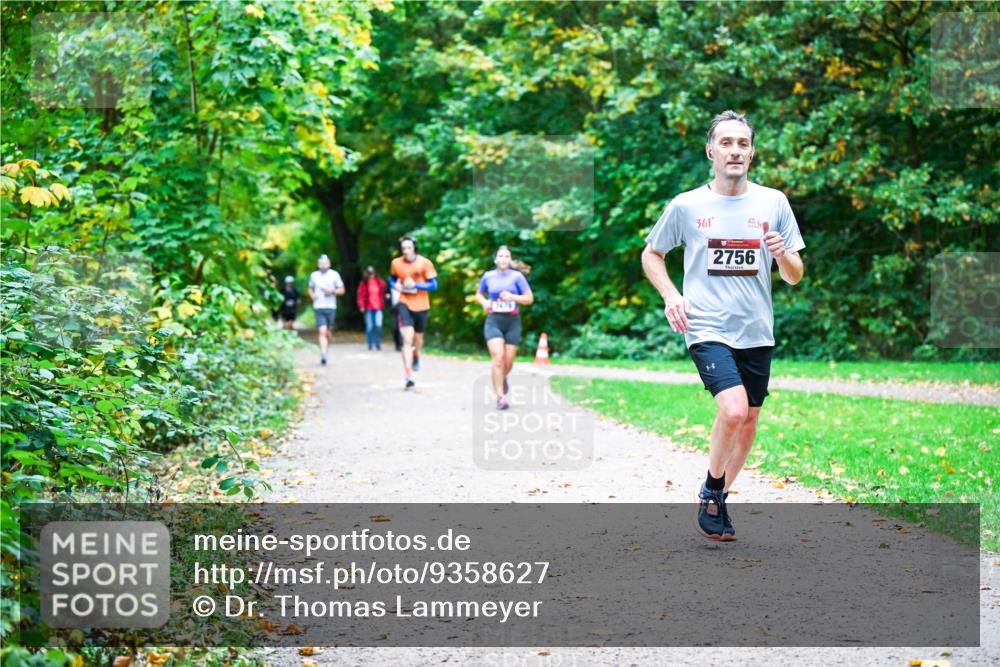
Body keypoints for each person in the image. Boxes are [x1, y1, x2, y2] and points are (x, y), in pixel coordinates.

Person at [641, 110, 805, 541]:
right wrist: (671, 296)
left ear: (751, 153)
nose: (735, 150)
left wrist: (781, 252)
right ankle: (713, 489)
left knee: (749, 420)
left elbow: (794, 274)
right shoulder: (687, 205)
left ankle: (718, 500)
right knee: (732, 409)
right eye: (727, 143)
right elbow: (651, 254)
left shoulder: (774, 202)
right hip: (707, 326)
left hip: (756, 330)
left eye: (743, 144)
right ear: (710, 151)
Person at [474, 246, 533, 410]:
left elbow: (529, 298)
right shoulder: (488, 276)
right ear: (496, 259)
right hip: (494, 321)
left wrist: (513, 297)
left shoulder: (517, 277)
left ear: (510, 259)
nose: (503, 259)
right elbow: (479, 294)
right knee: (498, 357)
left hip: (512, 321)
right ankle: (500, 397)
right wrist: (484, 302)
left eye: (506, 256)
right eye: (500, 256)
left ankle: (502, 377)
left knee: (508, 363)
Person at [389, 236, 437, 389]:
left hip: (422, 305)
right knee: (407, 339)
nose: (406, 251)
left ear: (414, 248)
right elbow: (391, 279)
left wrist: (416, 285)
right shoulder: (396, 263)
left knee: (418, 339)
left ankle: (416, 355)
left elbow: (434, 285)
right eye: (403, 248)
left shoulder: (425, 263)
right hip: (404, 303)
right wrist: (395, 286)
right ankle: (408, 374)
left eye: (409, 248)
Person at [308, 254, 345, 366]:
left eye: (325, 263)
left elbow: (342, 290)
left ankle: (326, 349)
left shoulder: (334, 275)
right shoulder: (314, 275)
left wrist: (332, 291)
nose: (323, 265)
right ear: (318, 264)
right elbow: (310, 288)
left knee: (328, 332)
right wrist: (312, 295)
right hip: (318, 307)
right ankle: (323, 354)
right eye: (321, 263)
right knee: (322, 331)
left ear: (329, 263)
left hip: (331, 307)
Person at [357, 266, 387, 351]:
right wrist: (362, 305)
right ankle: (370, 344)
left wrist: (386, 298)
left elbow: (385, 290)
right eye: (369, 273)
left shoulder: (379, 282)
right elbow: (360, 295)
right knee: (370, 326)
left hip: (378, 307)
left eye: (372, 273)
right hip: (368, 307)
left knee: (378, 325)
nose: (371, 275)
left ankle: (378, 343)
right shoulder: (364, 284)